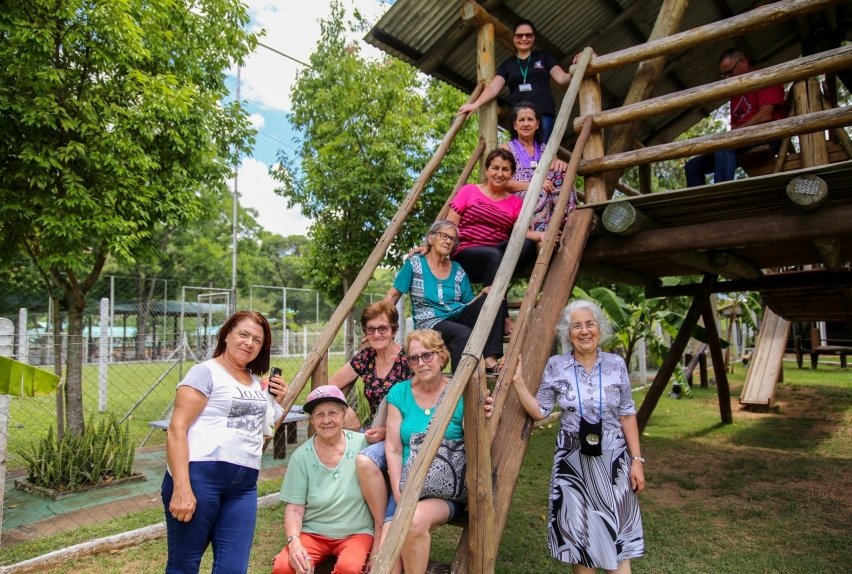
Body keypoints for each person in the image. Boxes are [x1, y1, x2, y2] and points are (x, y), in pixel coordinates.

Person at [510, 300, 645, 573]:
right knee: (579, 539)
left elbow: (627, 414)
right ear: (567, 333)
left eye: (589, 324)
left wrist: (637, 460)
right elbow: (541, 410)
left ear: (599, 329)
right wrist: (518, 383)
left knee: (616, 535)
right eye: (576, 326)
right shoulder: (556, 365)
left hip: (613, 461)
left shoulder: (616, 364)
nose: (584, 331)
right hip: (572, 463)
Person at [163, 310, 288, 573]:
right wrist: (181, 487)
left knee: (233, 568)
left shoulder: (256, 384)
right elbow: (177, 429)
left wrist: (276, 400)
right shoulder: (205, 372)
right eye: (243, 334)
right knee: (184, 564)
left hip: (243, 487)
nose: (249, 343)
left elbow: (261, 432)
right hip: (200, 478)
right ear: (227, 335)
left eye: (257, 339)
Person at [328, 300, 412, 565]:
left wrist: (390, 431)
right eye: (371, 329)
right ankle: (349, 530)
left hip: (406, 434)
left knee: (365, 459)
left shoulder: (408, 358)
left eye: (383, 329)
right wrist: (346, 411)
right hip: (375, 433)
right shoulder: (365, 359)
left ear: (394, 329)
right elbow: (329, 387)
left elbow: (424, 401)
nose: (377, 335)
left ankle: (380, 534)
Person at [383, 330, 467, 574]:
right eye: (414, 358)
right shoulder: (399, 393)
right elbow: (394, 448)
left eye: (427, 355)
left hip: (446, 489)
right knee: (385, 561)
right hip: (407, 484)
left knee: (414, 520)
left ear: (441, 356)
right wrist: (399, 491)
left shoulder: (460, 393)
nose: (421, 363)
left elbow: (474, 441)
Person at [272, 385, 374, 574]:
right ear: (312, 419)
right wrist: (294, 542)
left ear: (344, 415)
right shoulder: (301, 456)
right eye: (319, 414)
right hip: (313, 534)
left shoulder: (363, 444)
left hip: (356, 532)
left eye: (333, 413)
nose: (326, 420)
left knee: (349, 568)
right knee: (283, 566)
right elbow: (294, 508)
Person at [385, 220, 504, 374]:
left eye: (452, 239)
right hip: (430, 322)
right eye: (443, 236)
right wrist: (383, 324)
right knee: (463, 334)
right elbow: (393, 295)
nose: (448, 241)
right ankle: (459, 386)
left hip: (458, 314)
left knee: (494, 299)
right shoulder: (415, 263)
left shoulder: (458, 269)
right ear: (431, 239)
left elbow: (469, 304)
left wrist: (483, 294)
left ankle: (489, 359)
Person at [684, 48, 786, 187]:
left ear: (743, 62)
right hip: (741, 141)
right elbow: (735, 128)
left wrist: (727, 138)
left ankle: (723, 194)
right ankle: (698, 207)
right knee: (692, 166)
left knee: (724, 146)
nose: (727, 78)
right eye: (723, 75)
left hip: (768, 136)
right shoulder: (736, 94)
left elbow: (765, 115)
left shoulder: (765, 77)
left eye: (729, 72)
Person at [458, 19, 572, 144]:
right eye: (519, 35)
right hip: (518, 116)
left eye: (528, 35)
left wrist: (577, 68)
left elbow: (562, 78)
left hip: (543, 113)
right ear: (514, 38)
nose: (524, 38)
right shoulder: (508, 65)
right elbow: (493, 88)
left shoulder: (544, 57)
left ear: (534, 38)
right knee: (520, 155)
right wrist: (474, 104)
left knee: (543, 152)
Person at [448, 147, 543, 289]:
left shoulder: (516, 203)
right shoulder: (469, 190)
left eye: (505, 169)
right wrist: (431, 247)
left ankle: (493, 295)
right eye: (495, 168)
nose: (500, 174)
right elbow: (449, 225)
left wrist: (542, 235)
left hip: (496, 254)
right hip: (464, 253)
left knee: (527, 245)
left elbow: (521, 232)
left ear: (511, 174)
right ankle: (497, 308)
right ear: (487, 171)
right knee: (494, 255)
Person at [499, 102, 576, 231]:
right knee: (540, 193)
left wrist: (560, 164)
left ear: (537, 124)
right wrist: (536, 185)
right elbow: (501, 183)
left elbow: (556, 175)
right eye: (521, 120)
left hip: (546, 194)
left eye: (530, 119)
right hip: (517, 197)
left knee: (562, 173)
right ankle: (542, 234)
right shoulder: (505, 149)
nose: (526, 124)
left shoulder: (546, 150)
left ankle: (565, 223)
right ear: (515, 125)